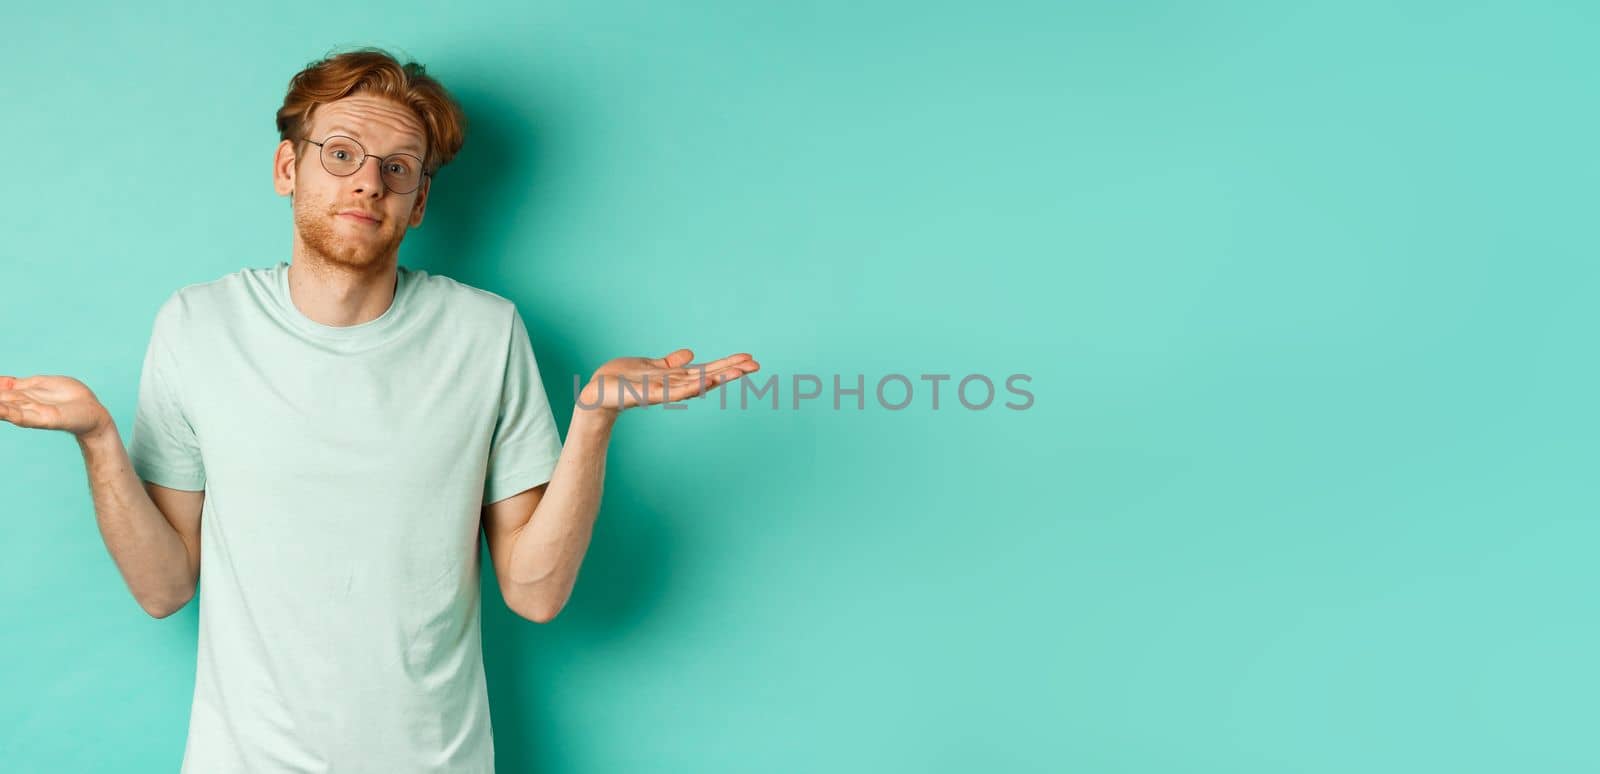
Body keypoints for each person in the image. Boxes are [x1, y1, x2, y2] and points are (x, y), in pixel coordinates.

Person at [0, 46, 759, 772]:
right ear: (287, 168)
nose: (368, 183)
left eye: (397, 168)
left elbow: (535, 593)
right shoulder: (199, 325)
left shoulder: (485, 333)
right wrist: (98, 440)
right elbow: (164, 588)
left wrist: (594, 420)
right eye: (341, 154)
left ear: (420, 199)